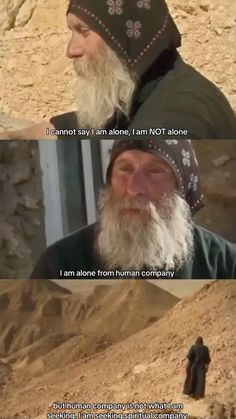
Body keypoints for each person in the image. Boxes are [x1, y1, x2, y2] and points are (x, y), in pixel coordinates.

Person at [0, 0, 236, 141]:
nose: (71, 50)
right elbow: (78, 130)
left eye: (84, 31)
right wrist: (13, 138)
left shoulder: (176, 117)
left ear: (124, 37)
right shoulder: (145, 88)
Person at [30, 139, 236, 279]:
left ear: (182, 187)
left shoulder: (224, 263)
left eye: (155, 170)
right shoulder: (60, 263)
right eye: (124, 169)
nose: (134, 188)